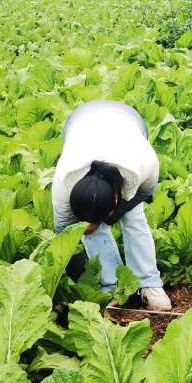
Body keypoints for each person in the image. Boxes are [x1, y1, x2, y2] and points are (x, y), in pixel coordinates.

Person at [51, 100, 172, 311]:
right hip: (79, 122)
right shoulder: (64, 183)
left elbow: (143, 194)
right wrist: (80, 275)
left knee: (134, 215)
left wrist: (104, 220)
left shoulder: (142, 165)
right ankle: (112, 285)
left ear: (116, 199)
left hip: (128, 120)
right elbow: (64, 235)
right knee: (89, 229)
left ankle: (149, 282)